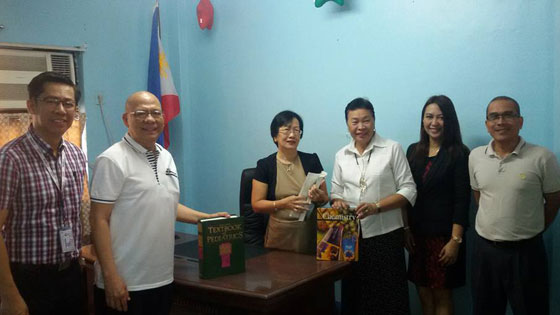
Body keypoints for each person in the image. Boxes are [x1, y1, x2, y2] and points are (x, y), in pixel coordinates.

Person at [90, 91, 228, 315]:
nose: (150, 119)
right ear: (126, 119)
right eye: (141, 113)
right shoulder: (112, 160)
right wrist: (111, 276)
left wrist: (205, 218)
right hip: (125, 282)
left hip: (161, 277)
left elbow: (165, 202)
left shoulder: (166, 156)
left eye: (155, 113)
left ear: (164, 118)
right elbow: (98, 220)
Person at [0, 71, 87, 315]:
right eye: (52, 101)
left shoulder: (76, 154)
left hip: (70, 274)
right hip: (27, 279)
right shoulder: (11, 158)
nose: (61, 109)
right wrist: (9, 295)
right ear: (31, 105)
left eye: (68, 103)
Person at [469, 96, 560, 315]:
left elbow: (554, 201)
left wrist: (528, 228)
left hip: (526, 253)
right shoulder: (475, 156)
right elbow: (479, 195)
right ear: (487, 124)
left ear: (520, 121)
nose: (501, 121)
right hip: (485, 252)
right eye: (494, 116)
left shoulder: (542, 157)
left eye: (508, 115)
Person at [331, 97, 417, 314]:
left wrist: (376, 206)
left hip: (386, 234)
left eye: (366, 120)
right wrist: (338, 201)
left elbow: (409, 190)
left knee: (388, 296)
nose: (361, 127)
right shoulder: (341, 155)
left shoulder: (392, 149)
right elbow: (335, 192)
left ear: (374, 121)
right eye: (354, 121)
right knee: (355, 295)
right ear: (347, 124)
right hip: (350, 235)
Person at [404, 95, 470, 315]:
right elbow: (406, 194)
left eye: (440, 117)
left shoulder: (459, 153)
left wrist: (456, 240)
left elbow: (462, 200)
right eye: (429, 116)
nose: (434, 122)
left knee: (442, 294)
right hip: (417, 236)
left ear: (449, 120)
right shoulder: (414, 151)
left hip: (444, 238)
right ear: (422, 120)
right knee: (422, 292)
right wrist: (406, 230)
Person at [251, 110, 329, 254]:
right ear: (275, 136)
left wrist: (319, 197)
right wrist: (283, 203)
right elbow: (256, 205)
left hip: (308, 233)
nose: (292, 135)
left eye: (296, 130)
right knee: (279, 274)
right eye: (286, 130)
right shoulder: (265, 165)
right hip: (279, 234)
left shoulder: (311, 160)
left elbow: (325, 199)